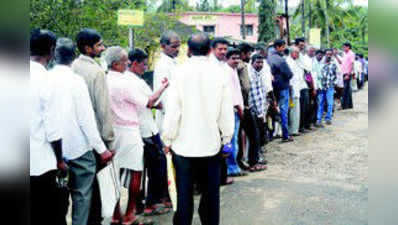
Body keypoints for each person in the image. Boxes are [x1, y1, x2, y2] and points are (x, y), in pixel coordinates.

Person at [162, 33, 234, 225]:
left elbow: (173, 111)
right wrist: (227, 138)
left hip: (183, 146)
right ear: (210, 50)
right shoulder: (220, 73)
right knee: (211, 194)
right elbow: (226, 111)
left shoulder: (179, 72)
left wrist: (167, 139)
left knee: (184, 194)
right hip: (211, 145)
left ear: (189, 50)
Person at [50, 38, 113, 225]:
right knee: (82, 196)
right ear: (73, 57)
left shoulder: (46, 78)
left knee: (56, 200)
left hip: (53, 151)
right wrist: (102, 149)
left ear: (54, 54)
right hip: (78, 149)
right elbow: (86, 121)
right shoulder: (76, 82)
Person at [103, 47, 153, 225]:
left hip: (111, 131)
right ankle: (130, 213)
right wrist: (163, 88)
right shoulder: (124, 83)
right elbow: (148, 102)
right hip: (129, 131)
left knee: (114, 175)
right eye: (125, 61)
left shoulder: (105, 79)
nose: (128, 63)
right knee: (135, 172)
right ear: (116, 64)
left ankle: (116, 214)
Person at [72, 28, 115, 225]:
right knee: (96, 191)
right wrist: (108, 142)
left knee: (80, 191)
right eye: (99, 45)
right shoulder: (96, 72)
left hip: (73, 140)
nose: (103, 48)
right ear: (87, 48)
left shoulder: (72, 67)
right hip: (95, 139)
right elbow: (103, 109)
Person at [125, 48, 171, 216]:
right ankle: (150, 203)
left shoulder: (136, 80)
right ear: (135, 63)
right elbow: (149, 102)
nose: (146, 67)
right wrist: (163, 88)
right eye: (144, 64)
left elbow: (152, 102)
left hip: (147, 128)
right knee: (154, 168)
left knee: (151, 168)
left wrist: (156, 101)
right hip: (144, 130)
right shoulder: (130, 81)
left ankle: (146, 202)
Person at [30, 28, 67, 225]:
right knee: (46, 215)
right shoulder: (46, 80)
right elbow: (53, 128)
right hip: (40, 162)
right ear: (52, 50)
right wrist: (60, 160)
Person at [209, 37, 235, 185]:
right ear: (212, 49)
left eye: (225, 49)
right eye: (220, 49)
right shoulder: (210, 66)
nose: (223, 52)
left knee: (223, 147)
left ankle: (221, 177)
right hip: (213, 113)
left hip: (223, 111)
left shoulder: (223, 65)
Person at [224, 48, 247, 177]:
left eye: (238, 58)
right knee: (232, 141)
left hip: (237, 109)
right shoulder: (226, 72)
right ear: (227, 59)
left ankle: (233, 166)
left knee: (235, 140)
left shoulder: (233, 71)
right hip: (232, 110)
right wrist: (239, 108)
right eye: (233, 58)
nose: (236, 60)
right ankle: (231, 168)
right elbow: (231, 94)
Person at [153, 30, 181, 132]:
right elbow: (163, 94)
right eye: (174, 46)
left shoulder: (175, 62)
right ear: (163, 46)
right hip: (168, 116)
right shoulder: (162, 66)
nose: (177, 49)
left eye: (179, 46)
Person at [268, 39, 294, 142]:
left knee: (273, 111)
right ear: (278, 47)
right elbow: (289, 74)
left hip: (273, 89)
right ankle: (285, 134)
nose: (284, 49)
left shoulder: (268, 58)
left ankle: (273, 134)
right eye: (283, 47)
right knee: (284, 111)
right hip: (282, 87)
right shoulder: (280, 59)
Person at [247, 54, 269, 172]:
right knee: (254, 137)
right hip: (253, 110)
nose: (260, 65)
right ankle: (253, 162)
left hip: (260, 110)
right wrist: (260, 113)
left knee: (259, 136)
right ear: (252, 62)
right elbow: (253, 96)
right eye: (257, 62)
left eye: (261, 63)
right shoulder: (250, 74)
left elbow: (261, 94)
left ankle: (256, 159)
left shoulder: (258, 74)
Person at [294, 38, 317, 133]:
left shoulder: (303, 58)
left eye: (303, 46)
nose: (302, 47)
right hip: (299, 86)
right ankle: (301, 126)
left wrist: (312, 87)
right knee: (302, 107)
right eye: (300, 46)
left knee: (306, 106)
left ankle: (305, 125)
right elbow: (308, 74)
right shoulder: (294, 57)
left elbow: (308, 73)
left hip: (304, 85)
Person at [315, 49, 340, 127]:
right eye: (327, 54)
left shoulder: (333, 64)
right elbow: (317, 75)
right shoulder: (320, 64)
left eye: (330, 54)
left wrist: (334, 83)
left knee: (330, 103)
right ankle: (318, 119)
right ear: (325, 55)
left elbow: (337, 75)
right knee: (321, 103)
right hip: (321, 87)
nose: (328, 55)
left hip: (330, 87)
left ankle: (328, 118)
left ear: (332, 55)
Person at [286, 46, 307, 136]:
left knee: (295, 111)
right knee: (293, 111)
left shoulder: (296, 62)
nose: (298, 55)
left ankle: (294, 129)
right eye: (296, 53)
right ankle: (293, 130)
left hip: (297, 89)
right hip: (292, 90)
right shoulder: (288, 62)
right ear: (292, 53)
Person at [335, 42, 355, 109]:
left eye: (344, 47)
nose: (343, 48)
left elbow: (352, 64)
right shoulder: (345, 54)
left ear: (348, 47)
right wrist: (336, 56)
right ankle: (348, 105)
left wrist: (348, 74)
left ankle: (344, 105)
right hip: (343, 73)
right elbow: (341, 62)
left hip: (347, 73)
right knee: (347, 90)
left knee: (345, 90)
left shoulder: (351, 54)